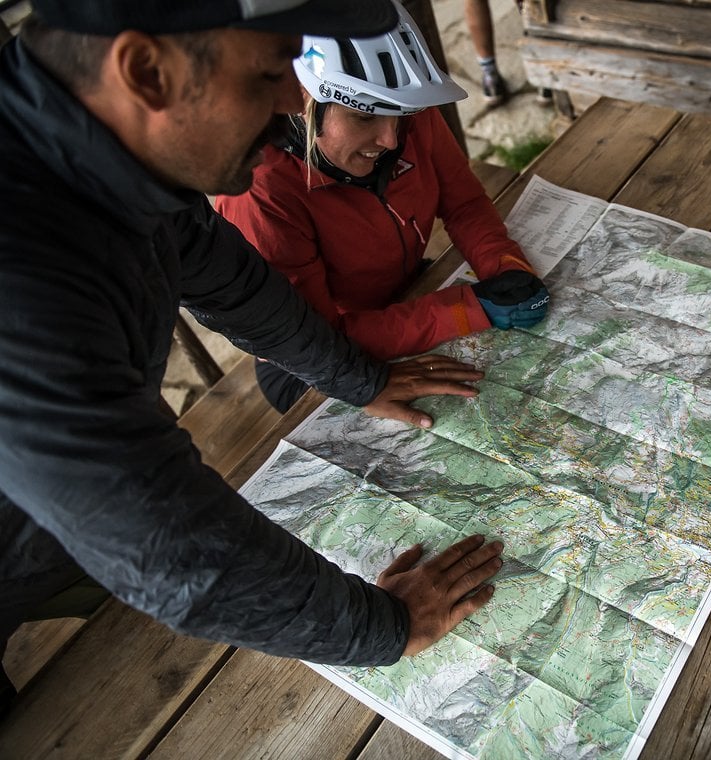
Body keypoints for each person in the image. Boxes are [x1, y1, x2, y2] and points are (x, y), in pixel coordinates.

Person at [0, 0, 507, 711]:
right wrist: (385, 625)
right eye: (273, 72)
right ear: (147, 71)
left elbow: (234, 284)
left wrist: (357, 378)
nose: (287, 107)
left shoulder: (100, 154)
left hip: (52, 532)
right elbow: (165, 544)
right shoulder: (25, 277)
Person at [216, 4, 550, 413]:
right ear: (302, 101)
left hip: (408, 294)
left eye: (402, 115)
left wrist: (504, 267)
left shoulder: (405, 117)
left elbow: (464, 202)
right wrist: (468, 309)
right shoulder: (260, 193)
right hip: (318, 365)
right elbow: (319, 338)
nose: (391, 139)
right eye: (362, 117)